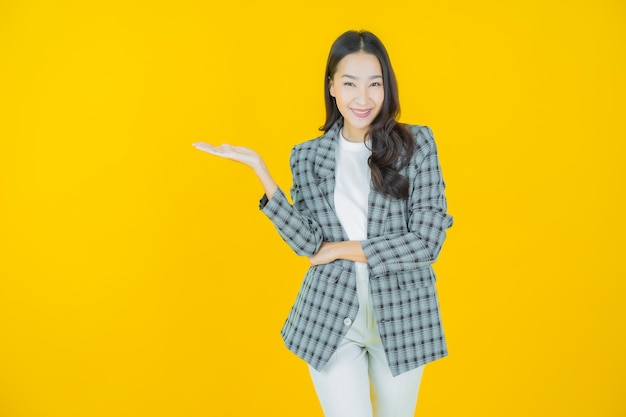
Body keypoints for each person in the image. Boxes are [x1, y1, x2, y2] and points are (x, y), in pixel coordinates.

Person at [193, 30, 453, 417]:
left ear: (387, 87)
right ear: (332, 86)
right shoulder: (307, 156)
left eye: (374, 84)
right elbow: (310, 245)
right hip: (331, 312)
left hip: (404, 312)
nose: (362, 98)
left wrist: (342, 249)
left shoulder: (418, 143)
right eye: (349, 84)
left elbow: (427, 242)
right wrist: (262, 173)